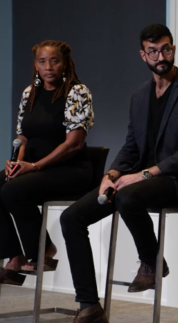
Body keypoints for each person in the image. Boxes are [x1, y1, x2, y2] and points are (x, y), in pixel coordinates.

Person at [60, 24, 178, 323]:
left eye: (166, 49)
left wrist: (143, 175)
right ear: (143, 55)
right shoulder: (140, 96)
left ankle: (151, 262)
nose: (161, 56)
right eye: (154, 51)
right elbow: (131, 145)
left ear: (174, 49)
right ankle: (89, 305)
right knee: (72, 217)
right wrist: (113, 173)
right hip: (141, 179)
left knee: (128, 196)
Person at [0, 40, 94, 286]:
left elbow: (73, 143)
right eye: (42, 61)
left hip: (70, 170)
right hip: (33, 167)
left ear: (65, 64)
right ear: (35, 65)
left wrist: (34, 166)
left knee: (12, 189)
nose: (48, 66)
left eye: (54, 61)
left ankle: (44, 250)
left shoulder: (77, 92)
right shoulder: (30, 93)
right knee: (3, 181)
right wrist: (16, 164)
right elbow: (22, 136)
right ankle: (15, 254)